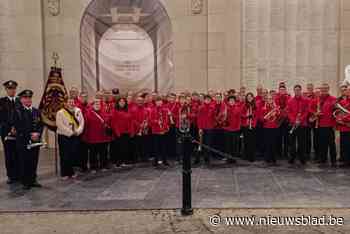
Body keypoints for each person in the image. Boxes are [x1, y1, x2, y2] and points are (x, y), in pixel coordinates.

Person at [14, 90, 43, 190]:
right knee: (24, 161)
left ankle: (33, 179)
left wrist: (38, 134)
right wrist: (30, 135)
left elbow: (40, 125)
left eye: (29, 98)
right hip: (23, 141)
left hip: (36, 141)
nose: (28, 100)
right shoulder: (17, 111)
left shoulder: (36, 111)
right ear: (21, 99)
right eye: (25, 98)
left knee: (34, 160)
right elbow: (19, 127)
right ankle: (25, 181)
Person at [56, 97, 85, 180]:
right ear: (65, 103)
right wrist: (71, 133)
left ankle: (72, 172)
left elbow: (82, 122)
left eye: (73, 102)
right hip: (64, 136)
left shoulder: (78, 111)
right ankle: (64, 173)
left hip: (75, 136)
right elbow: (60, 125)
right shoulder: (60, 112)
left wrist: (78, 131)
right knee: (65, 155)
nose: (71, 103)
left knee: (73, 154)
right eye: (69, 102)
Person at [309, 83, 337, 167]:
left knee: (331, 144)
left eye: (325, 89)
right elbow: (310, 108)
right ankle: (323, 159)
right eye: (322, 89)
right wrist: (315, 113)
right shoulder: (318, 99)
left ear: (328, 89)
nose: (324, 90)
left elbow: (337, 112)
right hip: (320, 124)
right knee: (322, 143)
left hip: (330, 125)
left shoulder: (333, 99)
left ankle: (333, 160)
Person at [0, 80, 21, 184]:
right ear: (6, 89)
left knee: (19, 153)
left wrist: (16, 127)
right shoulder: (1, 101)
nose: (11, 90)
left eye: (13, 88)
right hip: (6, 132)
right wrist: (9, 129)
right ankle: (11, 176)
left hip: (18, 132)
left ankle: (19, 174)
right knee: (9, 153)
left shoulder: (19, 101)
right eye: (9, 89)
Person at [84, 98, 112, 172]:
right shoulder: (88, 114)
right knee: (93, 154)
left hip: (103, 137)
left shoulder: (104, 113)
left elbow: (108, 123)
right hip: (92, 137)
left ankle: (103, 165)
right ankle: (93, 167)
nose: (97, 105)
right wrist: (86, 137)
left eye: (98, 103)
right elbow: (86, 126)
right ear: (92, 105)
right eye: (95, 103)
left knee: (103, 152)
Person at [287, 85, 309, 165]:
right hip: (292, 124)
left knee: (302, 142)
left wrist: (300, 120)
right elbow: (288, 112)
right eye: (296, 90)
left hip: (302, 124)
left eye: (299, 90)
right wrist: (294, 120)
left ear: (301, 90)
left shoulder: (305, 100)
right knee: (292, 143)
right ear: (294, 91)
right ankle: (291, 158)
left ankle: (302, 158)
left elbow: (307, 111)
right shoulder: (290, 101)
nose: (297, 91)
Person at [111, 97, 134, 167]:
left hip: (127, 132)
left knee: (126, 147)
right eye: (120, 102)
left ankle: (125, 160)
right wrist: (117, 132)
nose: (122, 103)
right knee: (118, 147)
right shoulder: (115, 111)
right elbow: (113, 122)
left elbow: (131, 121)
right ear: (118, 103)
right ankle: (119, 161)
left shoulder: (128, 110)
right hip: (119, 132)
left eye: (123, 102)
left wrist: (132, 131)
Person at [149, 96, 170, 167]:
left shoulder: (165, 110)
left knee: (164, 146)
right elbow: (150, 120)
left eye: (160, 101)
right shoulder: (152, 110)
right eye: (157, 101)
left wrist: (164, 128)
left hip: (163, 131)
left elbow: (166, 120)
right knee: (156, 147)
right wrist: (157, 122)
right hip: (155, 131)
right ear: (155, 102)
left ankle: (164, 160)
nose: (159, 102)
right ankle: (156, 161)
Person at [261, 94, 281, 165]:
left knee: (274, 143)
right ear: (266, 100)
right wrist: (269, 115)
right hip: (266, 128)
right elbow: (262, 119)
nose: (270, 100)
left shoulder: (276, 107)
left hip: (274, 127)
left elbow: (279, 118)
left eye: (271, 99)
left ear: (273, 100)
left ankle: (273, 158)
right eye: (268, 99)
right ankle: (267, 158)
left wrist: (276, 113)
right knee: (267, 143)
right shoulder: (264, 108)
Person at [196, 95, 216, 165]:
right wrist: (200, 128)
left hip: (210, 128)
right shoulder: (201, 107)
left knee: (208, 143)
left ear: (210, 100)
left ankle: (207, 158)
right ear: (204, 100)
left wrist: (213, 125)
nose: (207, 100)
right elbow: (199, 119)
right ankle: (199, 158)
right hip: (203, 128)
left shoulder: (212, 108)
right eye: (206, 99)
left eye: (209, 99)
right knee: (201, 144)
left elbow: (214, 118)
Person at [223, 95, 242, 163]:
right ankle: (228, 158)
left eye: (233, 101)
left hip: (235, 130)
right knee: (228, 145)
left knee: (235, 145)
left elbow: (239, 120)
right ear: (228, 102)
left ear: (235, 101)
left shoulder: (238, 108)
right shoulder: (226, 109)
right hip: (227, 129)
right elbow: (223, 119)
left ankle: (234, 158)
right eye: (230, 101)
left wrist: (238, 129)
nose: (231, 102)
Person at [335, 85, 350, 167]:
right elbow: (338, 112)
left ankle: (348, 161)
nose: (347, 92)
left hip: (348, 126)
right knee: (343, 144)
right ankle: (344, 159)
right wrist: (338, 118)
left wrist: (343, 119)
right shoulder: (343, 102)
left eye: (348, 90)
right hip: (343, 127)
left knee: (348, 144)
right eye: (347, 90)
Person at [241, 92, 258, 162]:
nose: (249, 98)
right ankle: (246, 156)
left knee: (253, 141)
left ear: (252, 98)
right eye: (248, 97)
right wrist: (247, 116)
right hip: (246, 125)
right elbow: (241, 115)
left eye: (250, 97)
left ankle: (252, 156)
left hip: (253, 126)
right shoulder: (244, 105)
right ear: (246, 98)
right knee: (246, 141)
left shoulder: (255, 106)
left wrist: (254, 124)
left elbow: (256, 116)